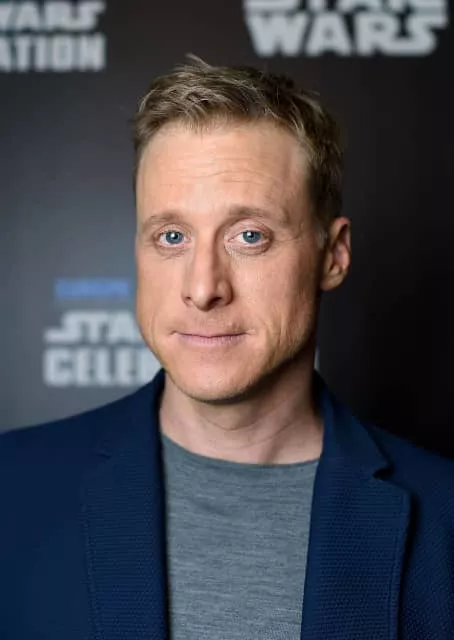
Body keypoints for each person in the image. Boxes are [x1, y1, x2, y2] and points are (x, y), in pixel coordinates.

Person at [1, 57, 453, 640]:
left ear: (333, 255)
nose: (203, 287)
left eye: (249, 236)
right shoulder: (12, 488)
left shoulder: (443, 517)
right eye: (171, 236)